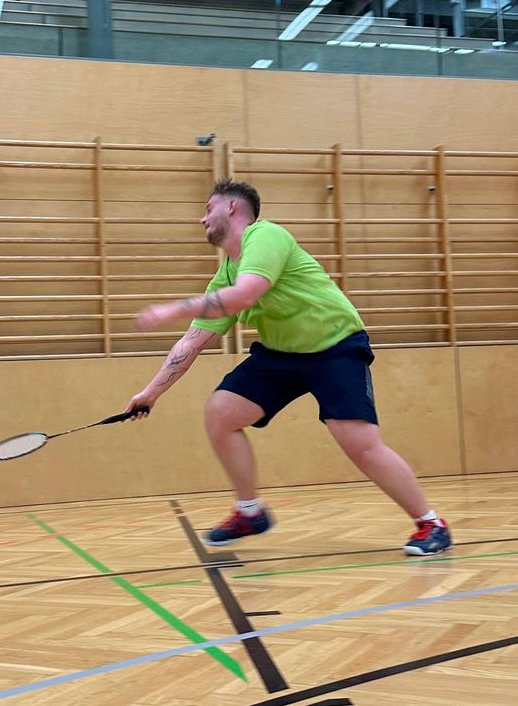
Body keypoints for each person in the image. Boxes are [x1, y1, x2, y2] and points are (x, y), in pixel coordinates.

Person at [124, 179, 452, 556]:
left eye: (208, 207)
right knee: (222, 413)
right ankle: (250, 512)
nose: (202, 219)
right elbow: (192, 341)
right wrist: (151, 392)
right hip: (282, 354)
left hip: (334, 346)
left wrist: (172, 308)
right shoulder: (227, 272)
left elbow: (245, 295)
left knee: (359, 444)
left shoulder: (265, 236)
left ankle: (431, 523)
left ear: (232, 208)